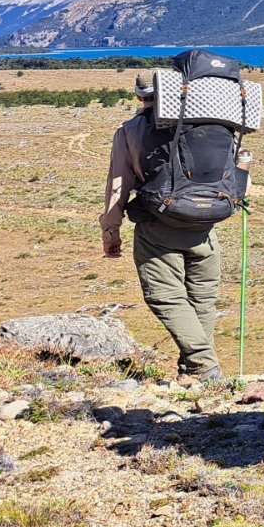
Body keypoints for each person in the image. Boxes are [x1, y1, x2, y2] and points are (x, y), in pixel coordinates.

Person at [100, 75, 224, 384]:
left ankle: (205, 369)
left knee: (165, 297)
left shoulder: (130, 131)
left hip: (159, 226)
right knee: (201, 301)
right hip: (205, 225)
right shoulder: (208, 124)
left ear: (140, 98)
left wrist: (111, 230)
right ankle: (194, 371)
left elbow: (119, 185)